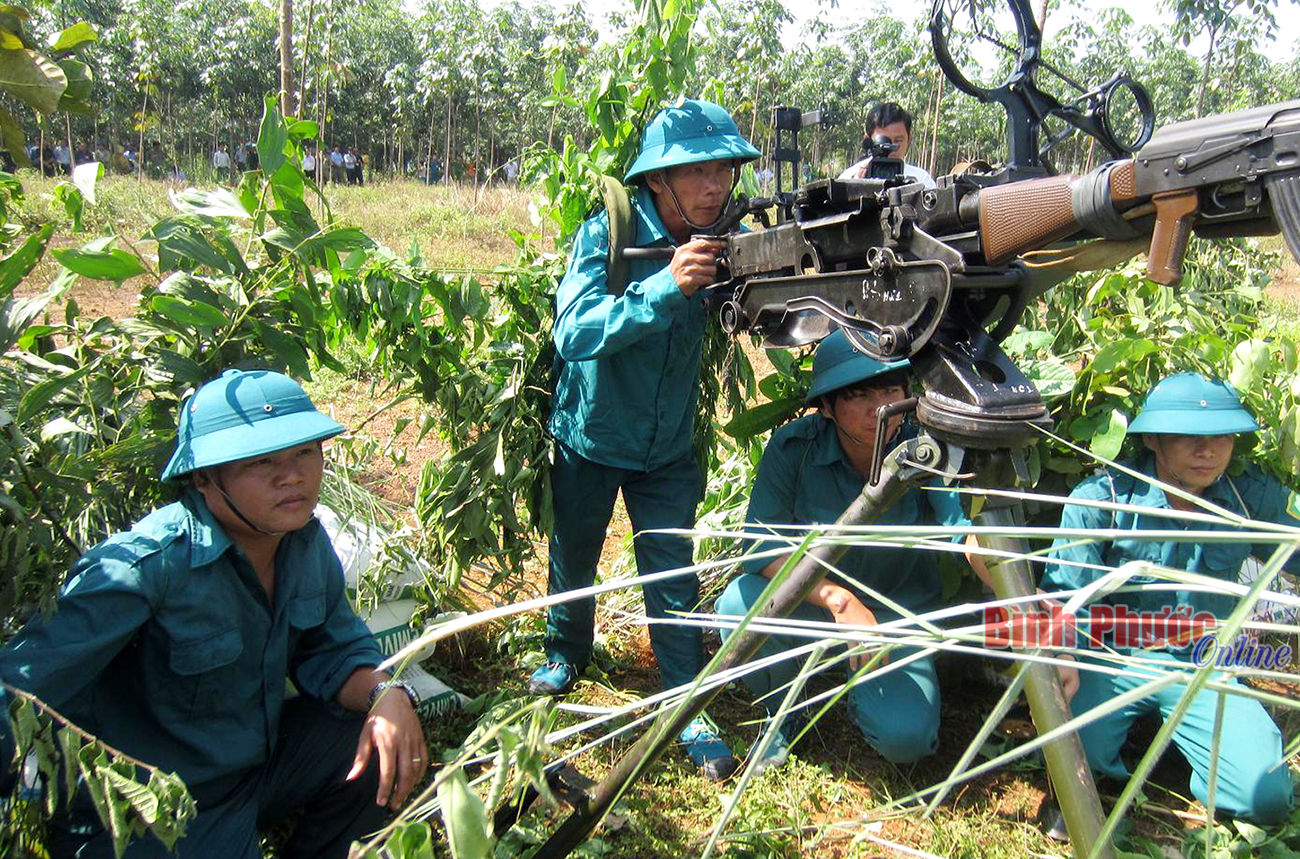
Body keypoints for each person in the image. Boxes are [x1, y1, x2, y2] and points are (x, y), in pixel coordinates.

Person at [0, 368, 428, 858]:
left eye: (305, 452)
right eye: (262, 460)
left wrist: (386, 692)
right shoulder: (143, 569)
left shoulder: (302, 544)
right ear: (204, 478)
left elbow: (333, 647)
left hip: (251, 772)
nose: (292, 475)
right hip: (156, 809)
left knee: (375, 743)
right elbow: (20, 687)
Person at [1041, 372, 1300, 823]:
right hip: (1112, 660)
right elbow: (1063, 598)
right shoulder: (1106, 499)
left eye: (1222, 437)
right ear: (1154, 441)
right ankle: (1131, 749)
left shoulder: (1247, 499)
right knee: (1074, 757)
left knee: (1264, 796)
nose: (1208, 452)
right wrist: (1061, 655)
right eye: (1188, 438)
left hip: (1205, 664)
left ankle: (1193, 755)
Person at [527, 99, 761, 781]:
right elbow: (573, 333)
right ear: (656, 180)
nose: (715, 184)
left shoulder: (726, 236)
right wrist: (664, 287)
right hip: (591, 435)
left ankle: (685, 705)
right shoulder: (607, 234)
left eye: (723, 168)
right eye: (696, 170)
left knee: (672, 574)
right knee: (574, 555)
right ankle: (564, 654)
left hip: (666, 447)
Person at [715, 330, 988, 771]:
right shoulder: (794, 451)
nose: (878, 407)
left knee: (907, 741)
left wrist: (1024, 600)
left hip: (895, 617)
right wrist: (841, 602)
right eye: (858, 394)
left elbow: (967, 536)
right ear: (826, 407)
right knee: (736, 607)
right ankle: (787, 706)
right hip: (816, 608)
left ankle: (865, 694)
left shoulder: (925, 450)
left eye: (889, 389)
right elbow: (762, 550)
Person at [837, 103, 935, 189]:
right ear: (868, 140)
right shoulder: (849, 178)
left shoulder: (921, 180)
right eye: (883, 142)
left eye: (898, 141)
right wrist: (855, 189)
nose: (891, 149)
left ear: (909, 139)